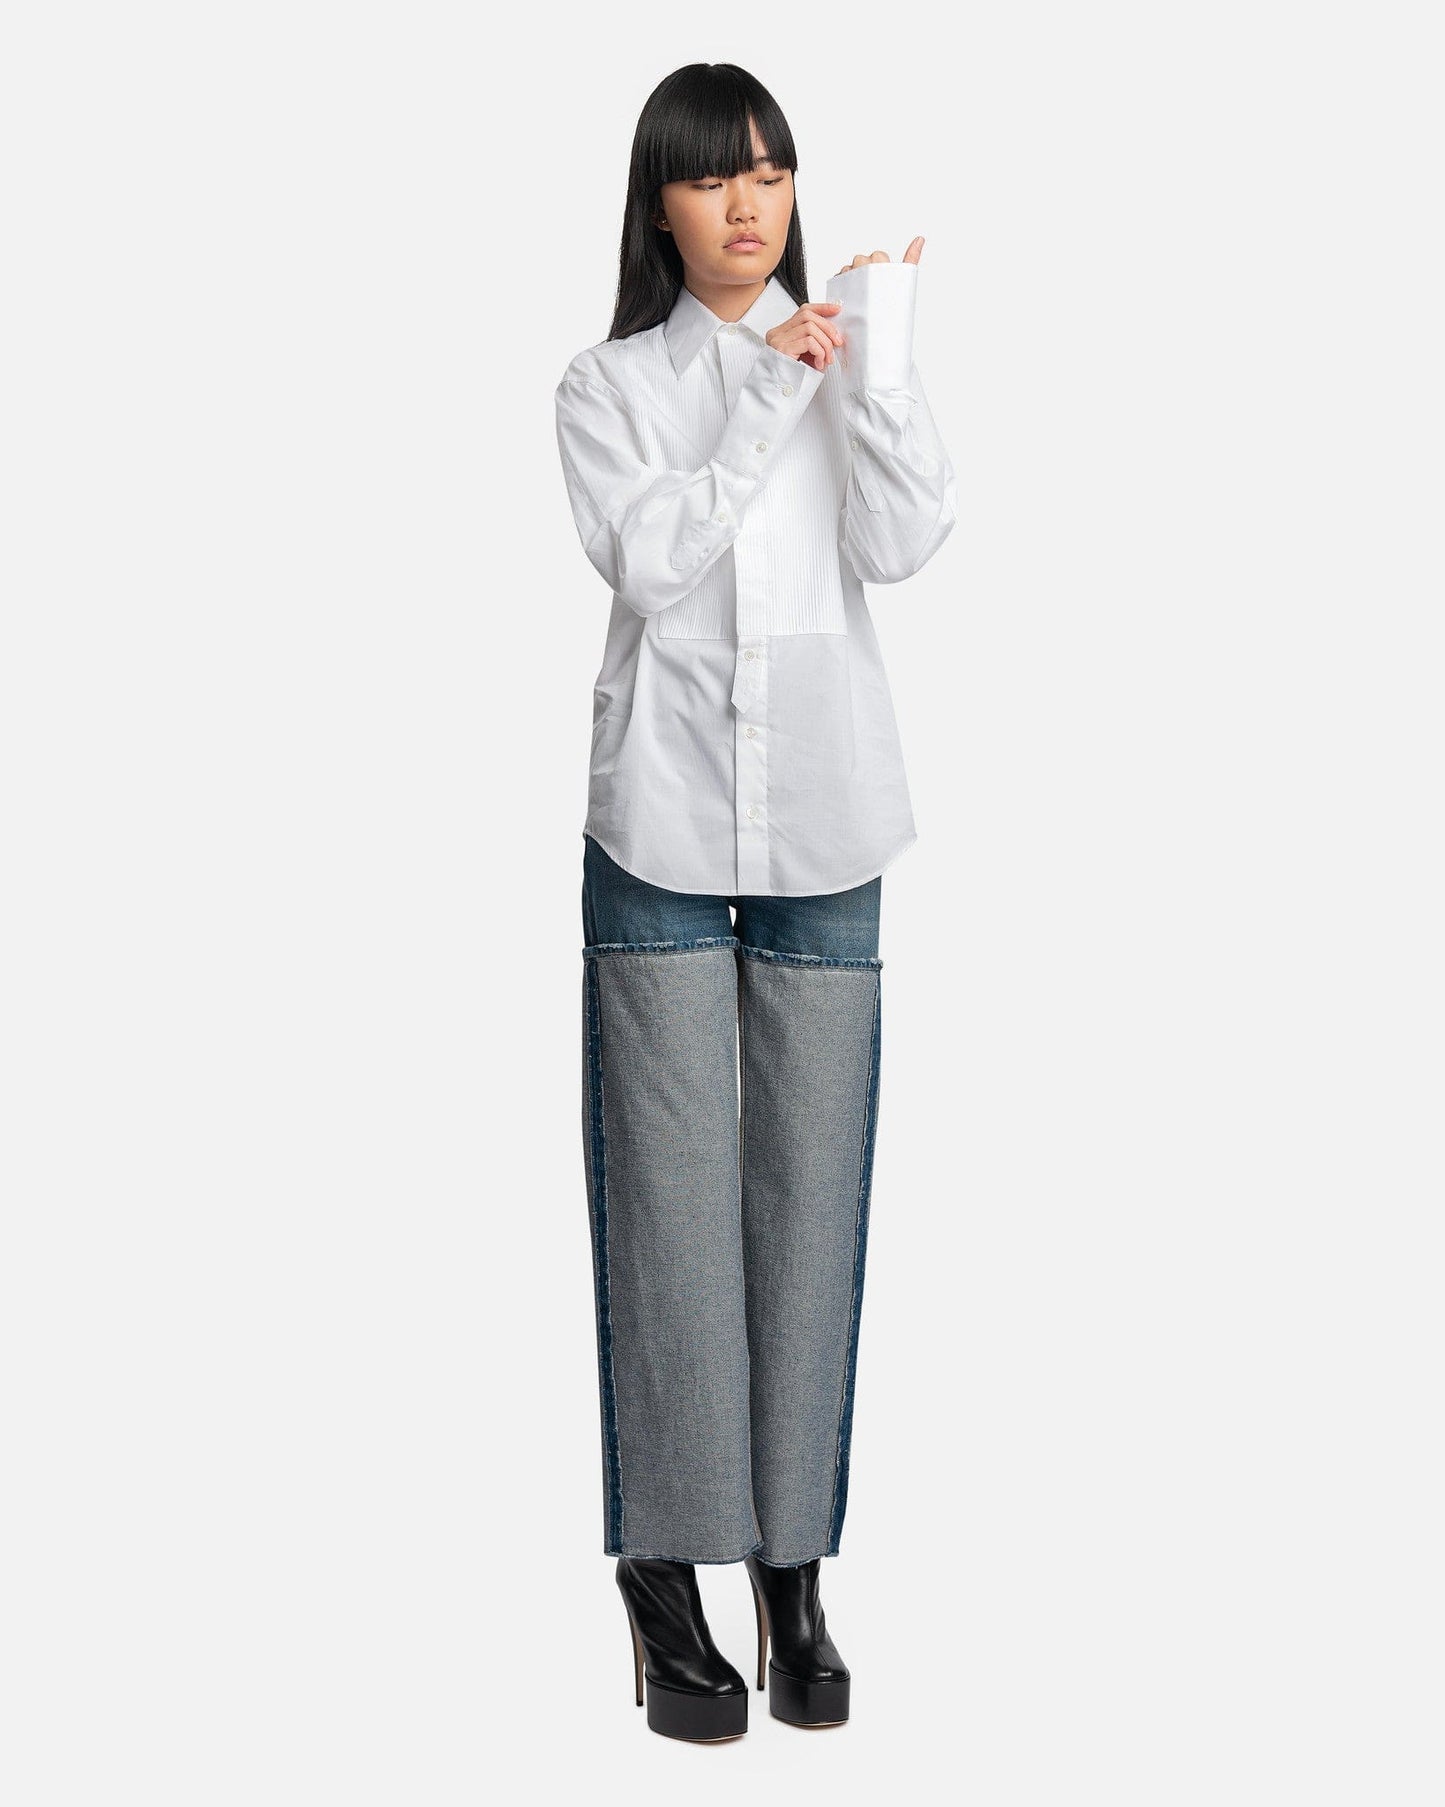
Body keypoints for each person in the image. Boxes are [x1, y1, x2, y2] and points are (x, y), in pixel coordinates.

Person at [554, 61, 957, 1742]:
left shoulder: (837, 357)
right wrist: (761, 398)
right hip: (657, 822)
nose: (749, 203)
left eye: (774, 174)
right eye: (715, 176)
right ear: (659, 203)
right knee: (667, 1211)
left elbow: (905, 542)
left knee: (807, 1201)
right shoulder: (606, 385)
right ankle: (665, 1576)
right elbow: (651, 563)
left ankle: (792, 1572)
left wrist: (877, 363)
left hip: (828, 825)